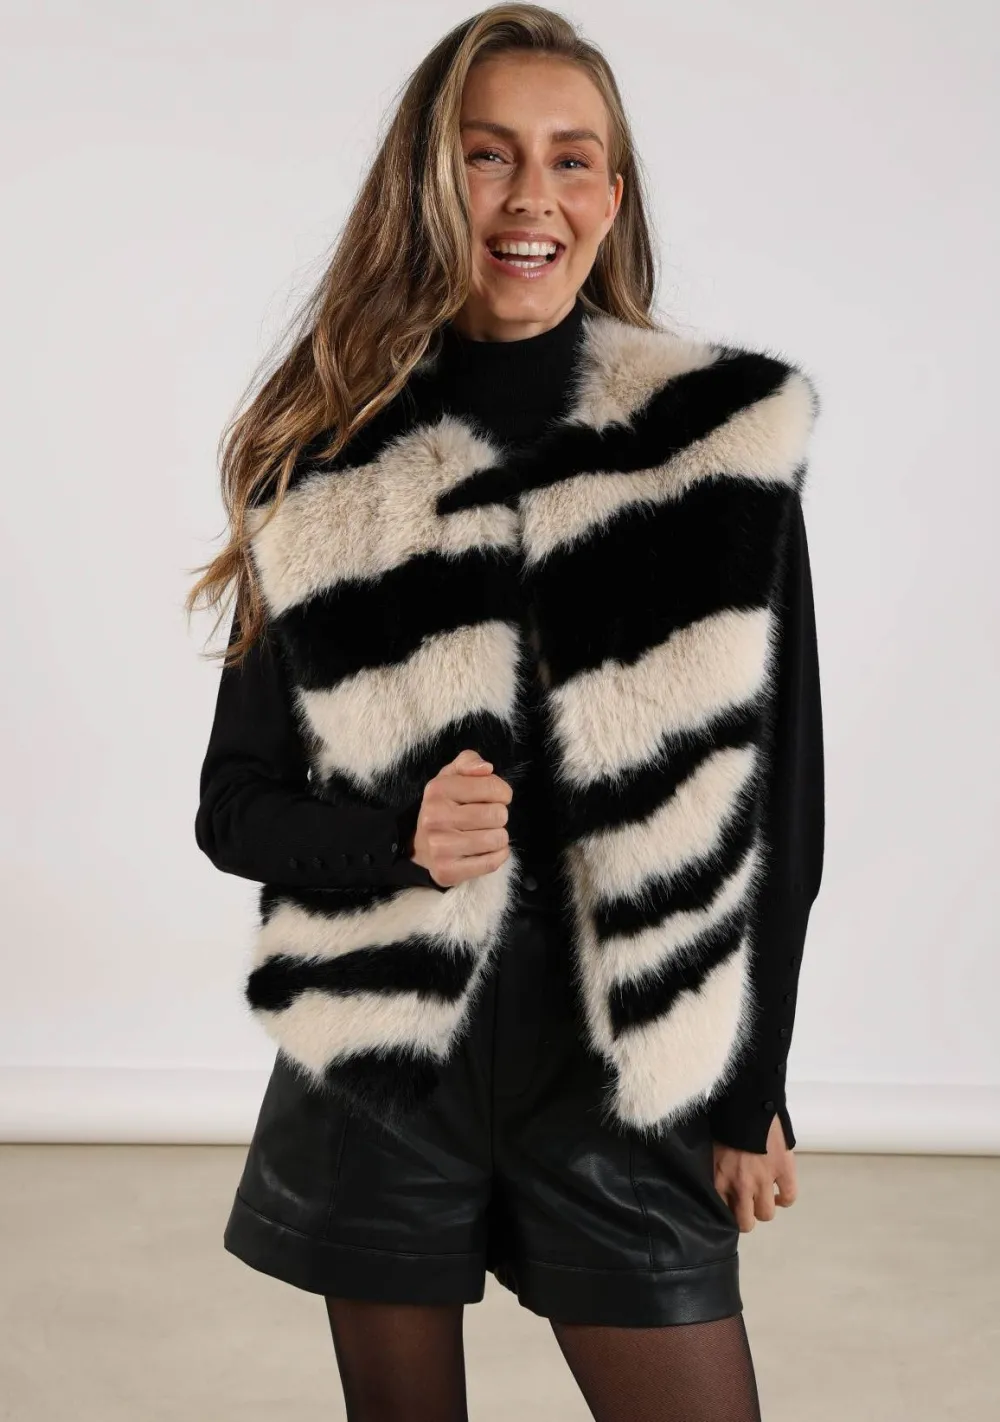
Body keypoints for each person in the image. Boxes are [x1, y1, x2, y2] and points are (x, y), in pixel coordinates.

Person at [186, 6, 823, 1419]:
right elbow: (233, 806)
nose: (532, 196)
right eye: (488, 155)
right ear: (429, 182)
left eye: (570, 158)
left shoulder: (719, 444)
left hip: (625, 1067)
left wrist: (751, 1084)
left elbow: (783, 805)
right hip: (384, 1073)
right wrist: (396, 842)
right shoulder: (321, 457)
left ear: (613, 195)